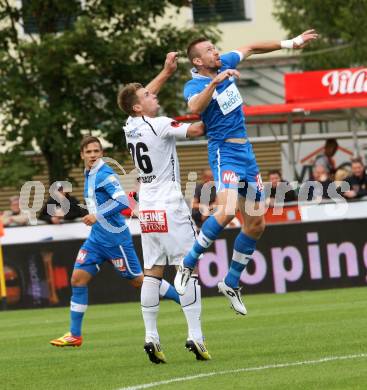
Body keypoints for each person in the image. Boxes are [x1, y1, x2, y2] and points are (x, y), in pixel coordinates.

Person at [174, 30, 318, 315]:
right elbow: (193, 107)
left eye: (215, 48)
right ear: (198, 61)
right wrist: (216, 82)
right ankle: (188, 263)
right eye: (210, 50)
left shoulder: (225, 62)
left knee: (256, 225)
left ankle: (231, 282)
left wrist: (291, 43)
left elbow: (251, 46)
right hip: (224, 152)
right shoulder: (195, 84)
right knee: (226, 211)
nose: (216, 52)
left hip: (247, 155)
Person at [118, 52, 210, 363]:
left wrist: (166, 71)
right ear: (138, 105)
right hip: (170, 202)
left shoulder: (130, 125)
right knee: (188, 268)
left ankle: (151, 337)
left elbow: (142, 97)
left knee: (153, 272)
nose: (152, 94)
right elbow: (196, 130)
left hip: (147, 208)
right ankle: (195, 336)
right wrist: (213, 97)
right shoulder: (158, 124)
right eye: (146, 95)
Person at [50, 136, 179, 347]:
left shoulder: (105, 174)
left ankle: (184, 300)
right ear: (82, 154)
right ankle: (75, 335)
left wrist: (97, 215)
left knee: (139, 282)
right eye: (89, 151)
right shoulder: (89, 172)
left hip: (115, 240)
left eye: (96, 151)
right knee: (77, 280)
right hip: (96, 240)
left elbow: (121, 201)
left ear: (101, 153)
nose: (93, 155)